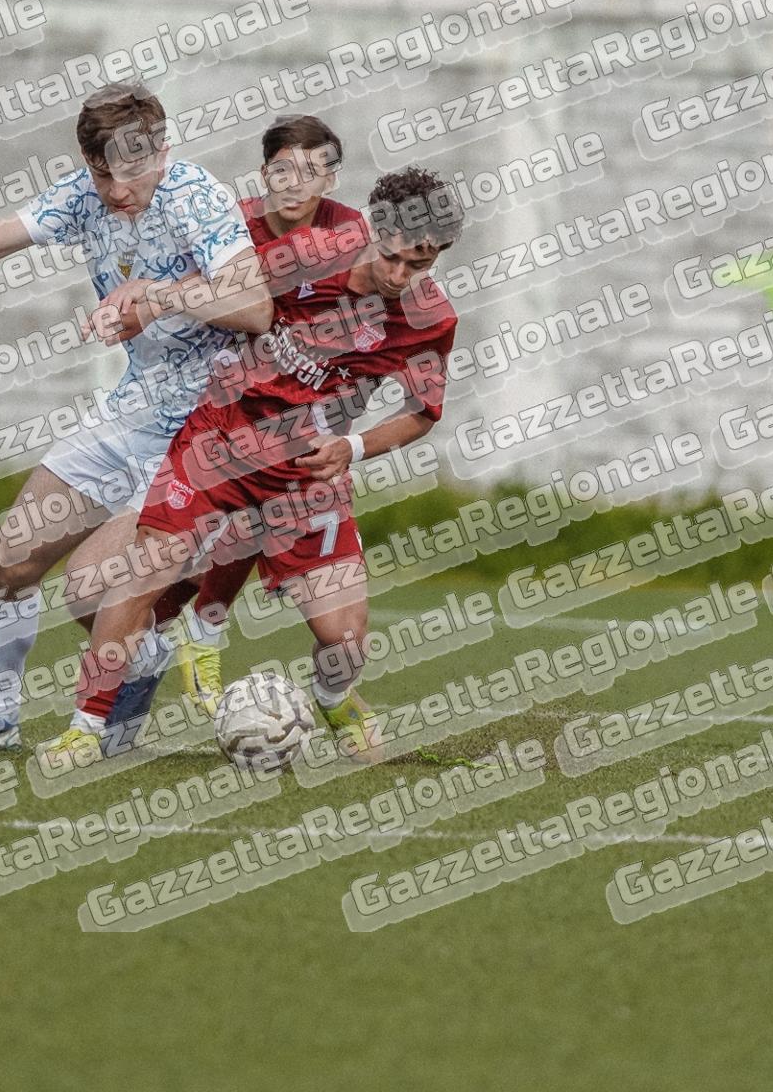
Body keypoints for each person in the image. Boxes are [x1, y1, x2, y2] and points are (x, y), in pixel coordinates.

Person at [39, 165, 464, 769]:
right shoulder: (307, 255)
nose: (399, 276)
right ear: (372, 229)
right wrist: (149, 298)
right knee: (141, 570)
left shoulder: (431, 319)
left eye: (419, 264)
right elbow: (220, 280)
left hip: (305, 479)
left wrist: (354, 447)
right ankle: (84, 730)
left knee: (344, 641)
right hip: (219, 444)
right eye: (391, 257)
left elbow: (422, 413)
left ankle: (334, 699)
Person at [0, 82, 270, 753]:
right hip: (132, 412)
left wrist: (154, 295)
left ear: (161, 151)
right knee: (7, 563)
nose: (116, 191)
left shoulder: (195, 196)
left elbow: (255, 307)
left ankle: (131, 666)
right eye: (102, 175)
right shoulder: (82, 196)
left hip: (203, 430)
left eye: (131, 173)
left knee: (91, 590)